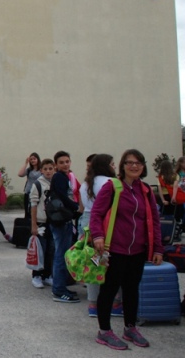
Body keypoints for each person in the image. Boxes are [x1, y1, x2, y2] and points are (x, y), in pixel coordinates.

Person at [90, 149, 163, 350]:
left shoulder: (146, 190)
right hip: (114, 249)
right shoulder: (112, 186)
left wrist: (158, 248)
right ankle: (104, 331)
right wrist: (98, 235)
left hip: (138, 250)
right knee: (109, 290)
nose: (134, 166)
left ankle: (130, 328)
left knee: (131, 290)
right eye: (129, 162)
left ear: (143, 166)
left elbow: (154, 221)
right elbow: (96, 213)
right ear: (122, 166)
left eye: (138, 163)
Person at [78, 154, 121, 317]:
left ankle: (93, 304)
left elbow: (82, 208)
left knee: (93, 263)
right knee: (111, 263)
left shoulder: (86, 183)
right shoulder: (110, 182)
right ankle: (116, 303)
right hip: (105, 222)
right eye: (112, 163)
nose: (114, 166)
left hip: (87, 221)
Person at [49, 151, 80, 303]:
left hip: (62, 220)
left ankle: (61, 287)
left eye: (67, 161)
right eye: (61, 162)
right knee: (61, 256)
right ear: (56, 165)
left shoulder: (64, 177)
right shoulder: (59, 177)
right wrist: (76, 207)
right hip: (60, 221)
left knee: (62, 254)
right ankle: (59, 290)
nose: (65, 164)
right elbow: (63, 196)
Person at [28, 158, 56, 289]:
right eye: (45, 169)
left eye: (50, 168)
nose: (48, 171)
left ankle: (47, 275)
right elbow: (33, 205)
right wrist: (34, 225)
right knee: (41, 250)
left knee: (51, 250)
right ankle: (36, 275)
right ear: (41, 170)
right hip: (41, 222)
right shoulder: (38, 184)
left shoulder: (56, 183)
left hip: (53, 222)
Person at [17, 153, 41, 219]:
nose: (33, 160)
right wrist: (26, 163)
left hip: (38, 193)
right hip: (29, 192)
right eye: (31, 159)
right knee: (28, 212)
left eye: (34, 159)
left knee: (37, 211)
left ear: (38, 159)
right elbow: (20, 174)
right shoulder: (29, 170)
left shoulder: (41, 169)